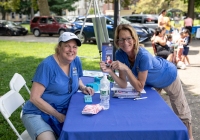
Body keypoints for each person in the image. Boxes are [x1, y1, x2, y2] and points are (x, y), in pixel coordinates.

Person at [99, 24, 194, 140]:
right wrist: (110, 72)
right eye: (121, 39)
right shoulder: (120, 54)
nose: (125, 42)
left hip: (168, 75)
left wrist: (126, 68)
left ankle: (189, 137)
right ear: (117, 42)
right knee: (150, 110)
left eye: (128, 38)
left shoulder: (143, 55)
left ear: (134, 39)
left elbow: (139, 87)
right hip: (151, 82)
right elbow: (123, 84)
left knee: (181, 111)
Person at [21, 32, 94, 140]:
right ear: (59, 47)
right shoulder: (47, 66)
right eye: (67, 46)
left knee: (85, 130)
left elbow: (76, 78)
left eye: (74, 47)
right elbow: (34, 98)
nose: (71, 50)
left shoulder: (75, 60)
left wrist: (83, 87)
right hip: (38, 113)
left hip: (64, 110)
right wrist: (57, 115)